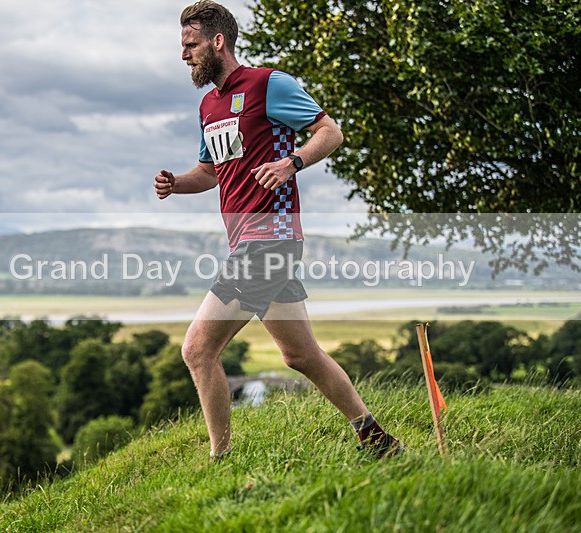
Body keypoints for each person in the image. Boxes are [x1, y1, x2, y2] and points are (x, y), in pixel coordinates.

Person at [154, 0, 403, 461]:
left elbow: (330, 132)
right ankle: (377, 440)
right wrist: (176, 184)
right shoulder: (209, 105)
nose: (184, 54)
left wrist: (292, 162)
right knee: (300, 356)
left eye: (191, 44)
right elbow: (209, 173)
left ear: (218, 41)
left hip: (270, 240)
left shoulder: (268, 84)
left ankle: (220, 459)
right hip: (252, 242)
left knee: (197, 350)